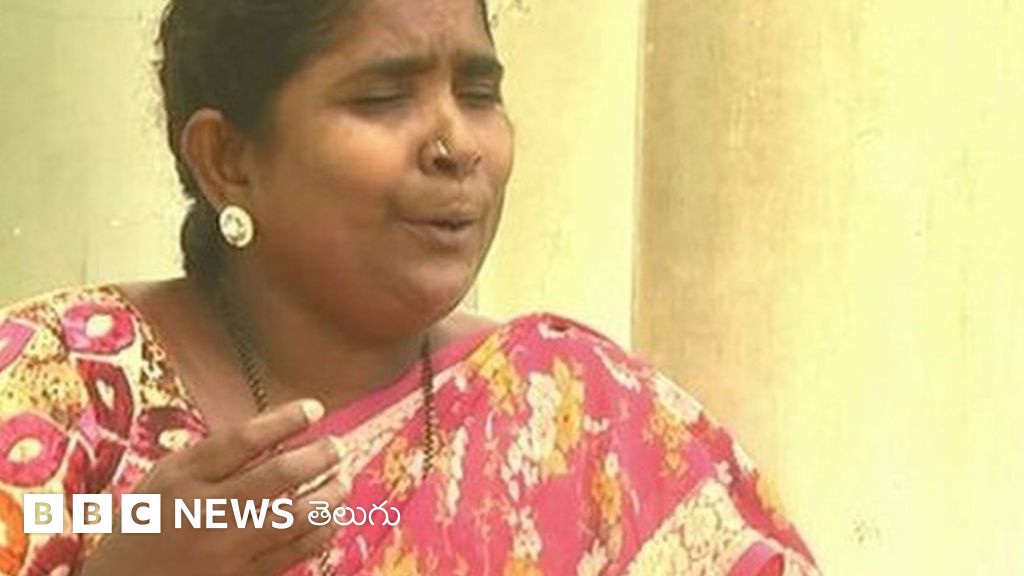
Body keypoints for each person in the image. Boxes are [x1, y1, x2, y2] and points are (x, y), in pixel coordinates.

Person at [0, 0, 820, 574]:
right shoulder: (57, 390)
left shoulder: (583, 418)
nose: (456, 144)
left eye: (479, 93)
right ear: (229, 160)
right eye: (384, 97)